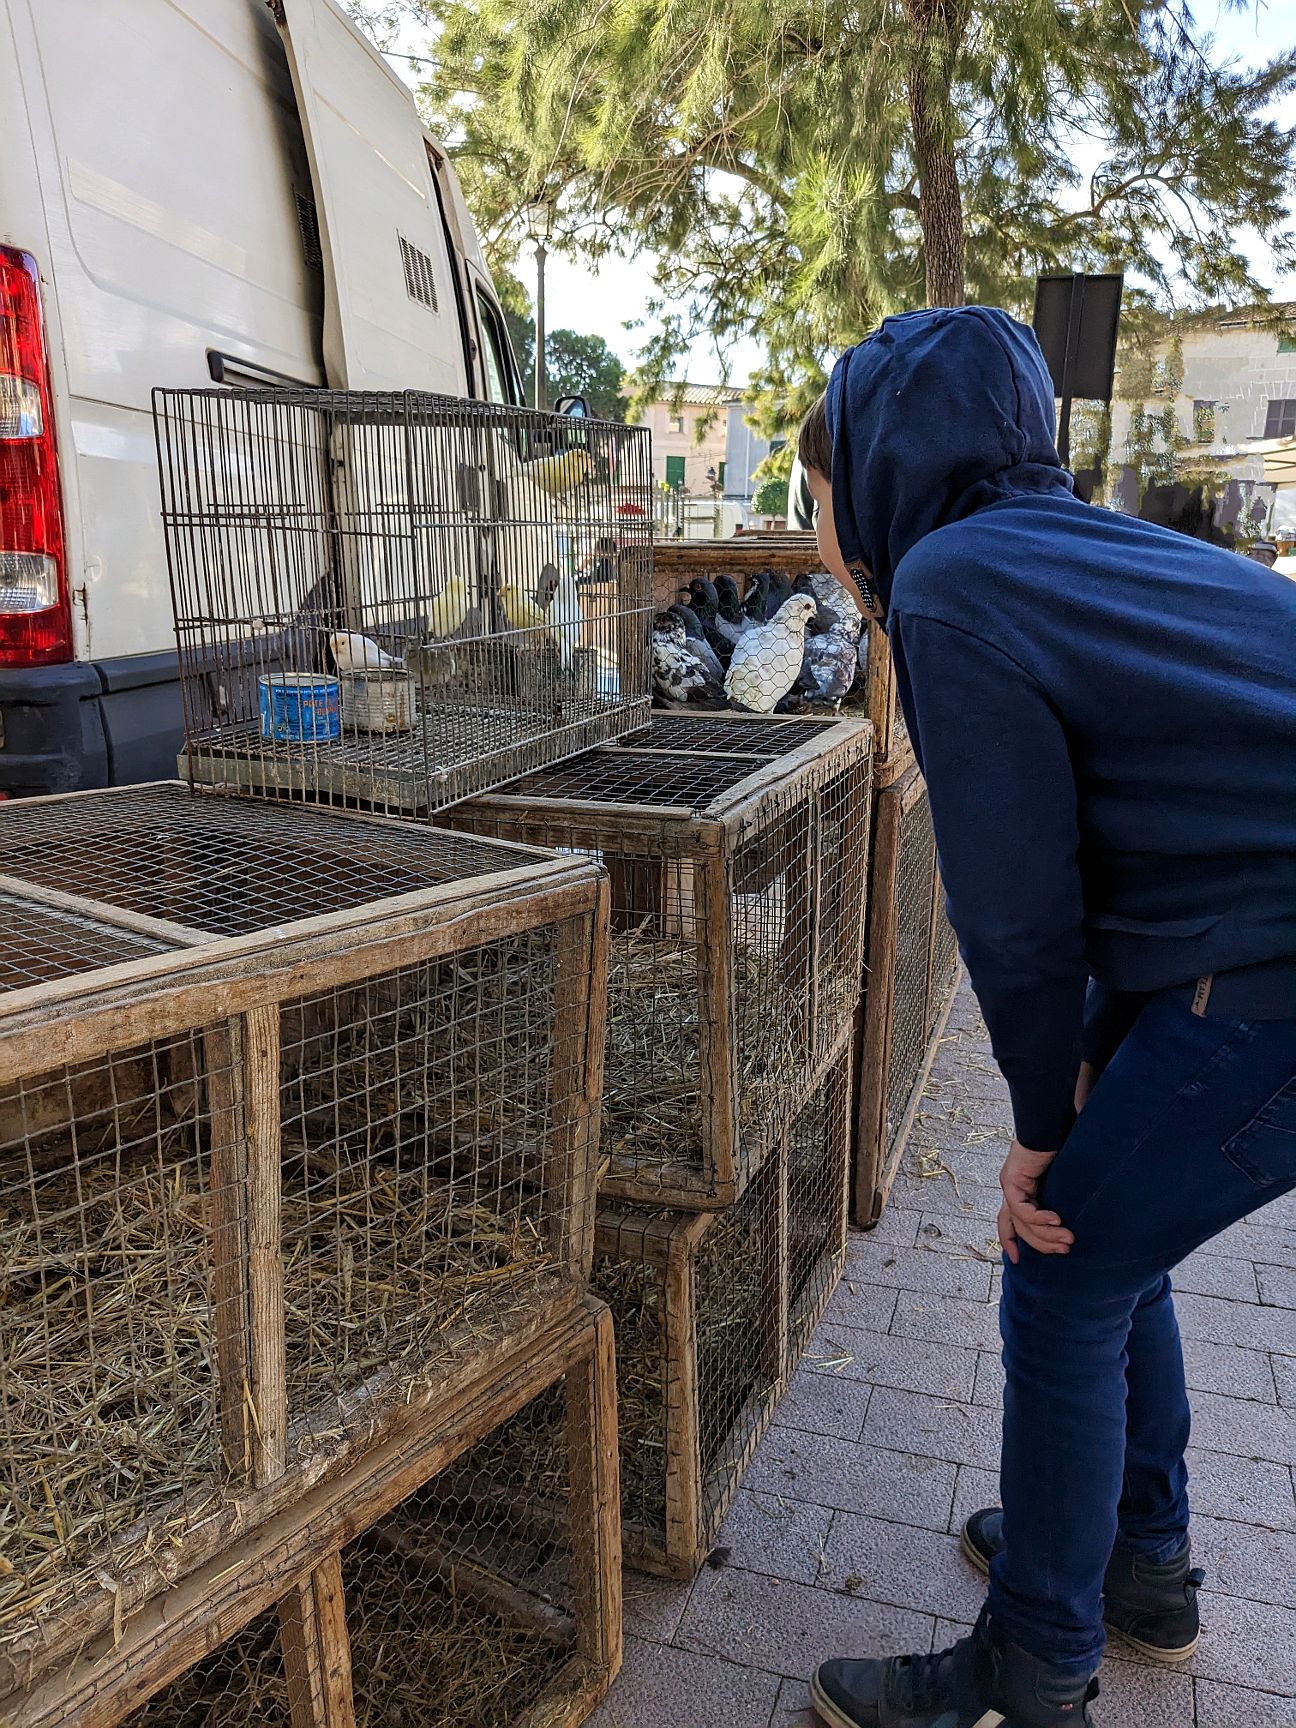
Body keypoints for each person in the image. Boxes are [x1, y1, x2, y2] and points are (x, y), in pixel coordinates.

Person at [796, 306, 1296, 1728]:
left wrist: (1034, 1127)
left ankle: (1034, 1666)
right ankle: (1138, 1568)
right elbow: (1143, 842)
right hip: (1253, 936)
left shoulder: (951, 586)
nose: (822, 537)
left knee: (1066, 1265)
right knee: (1116, 1244)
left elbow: (1017, 913)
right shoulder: (1083, 551)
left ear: (872, 481)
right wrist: (1078, 1077)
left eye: (816, 499)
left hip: (1272, 973)